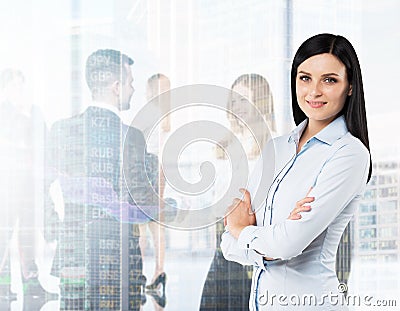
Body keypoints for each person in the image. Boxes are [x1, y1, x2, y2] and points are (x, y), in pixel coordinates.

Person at [222, 33, 372, 310]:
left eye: (329, 80)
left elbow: (286, 244)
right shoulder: (275, 149)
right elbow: (227, 246)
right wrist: (272, 237)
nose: (314, 91)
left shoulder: (349, 154)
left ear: (350, 86)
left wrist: (245, 229)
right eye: (305, 78)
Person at [47, 49, 156, 310]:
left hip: (73, 257)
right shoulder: (132, 138)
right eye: (130, 83)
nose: (132, 89)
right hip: (117, 263)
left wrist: (53, 224)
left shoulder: (61, 130)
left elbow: (41, 184)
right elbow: (143, 205)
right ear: (116, 87)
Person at [200, 74, 276, 310]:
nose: (237, 106)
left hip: (254, 247)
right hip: (224, 244)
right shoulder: (224, 145)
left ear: (260, 101)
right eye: (234, 100)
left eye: (244, 99)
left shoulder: (275, 146)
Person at [0, 68, 54, 309]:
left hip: (30, 186)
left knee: (28, 237)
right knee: (4, 235)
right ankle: (2, 286)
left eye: (22, 84)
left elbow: (46, 144)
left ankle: (31, 284)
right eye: (14, 85)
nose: (19, 90)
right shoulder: (4, 114)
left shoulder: (35, 112)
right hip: (8, 185)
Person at [139, 74, 170, 300]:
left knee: (141, 229)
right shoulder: (166, 117)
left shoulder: (152, 117)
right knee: (156, 230)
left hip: (149, 176)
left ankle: (140, 274)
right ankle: (159, 271)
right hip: (158, 176)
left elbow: (156, 156)